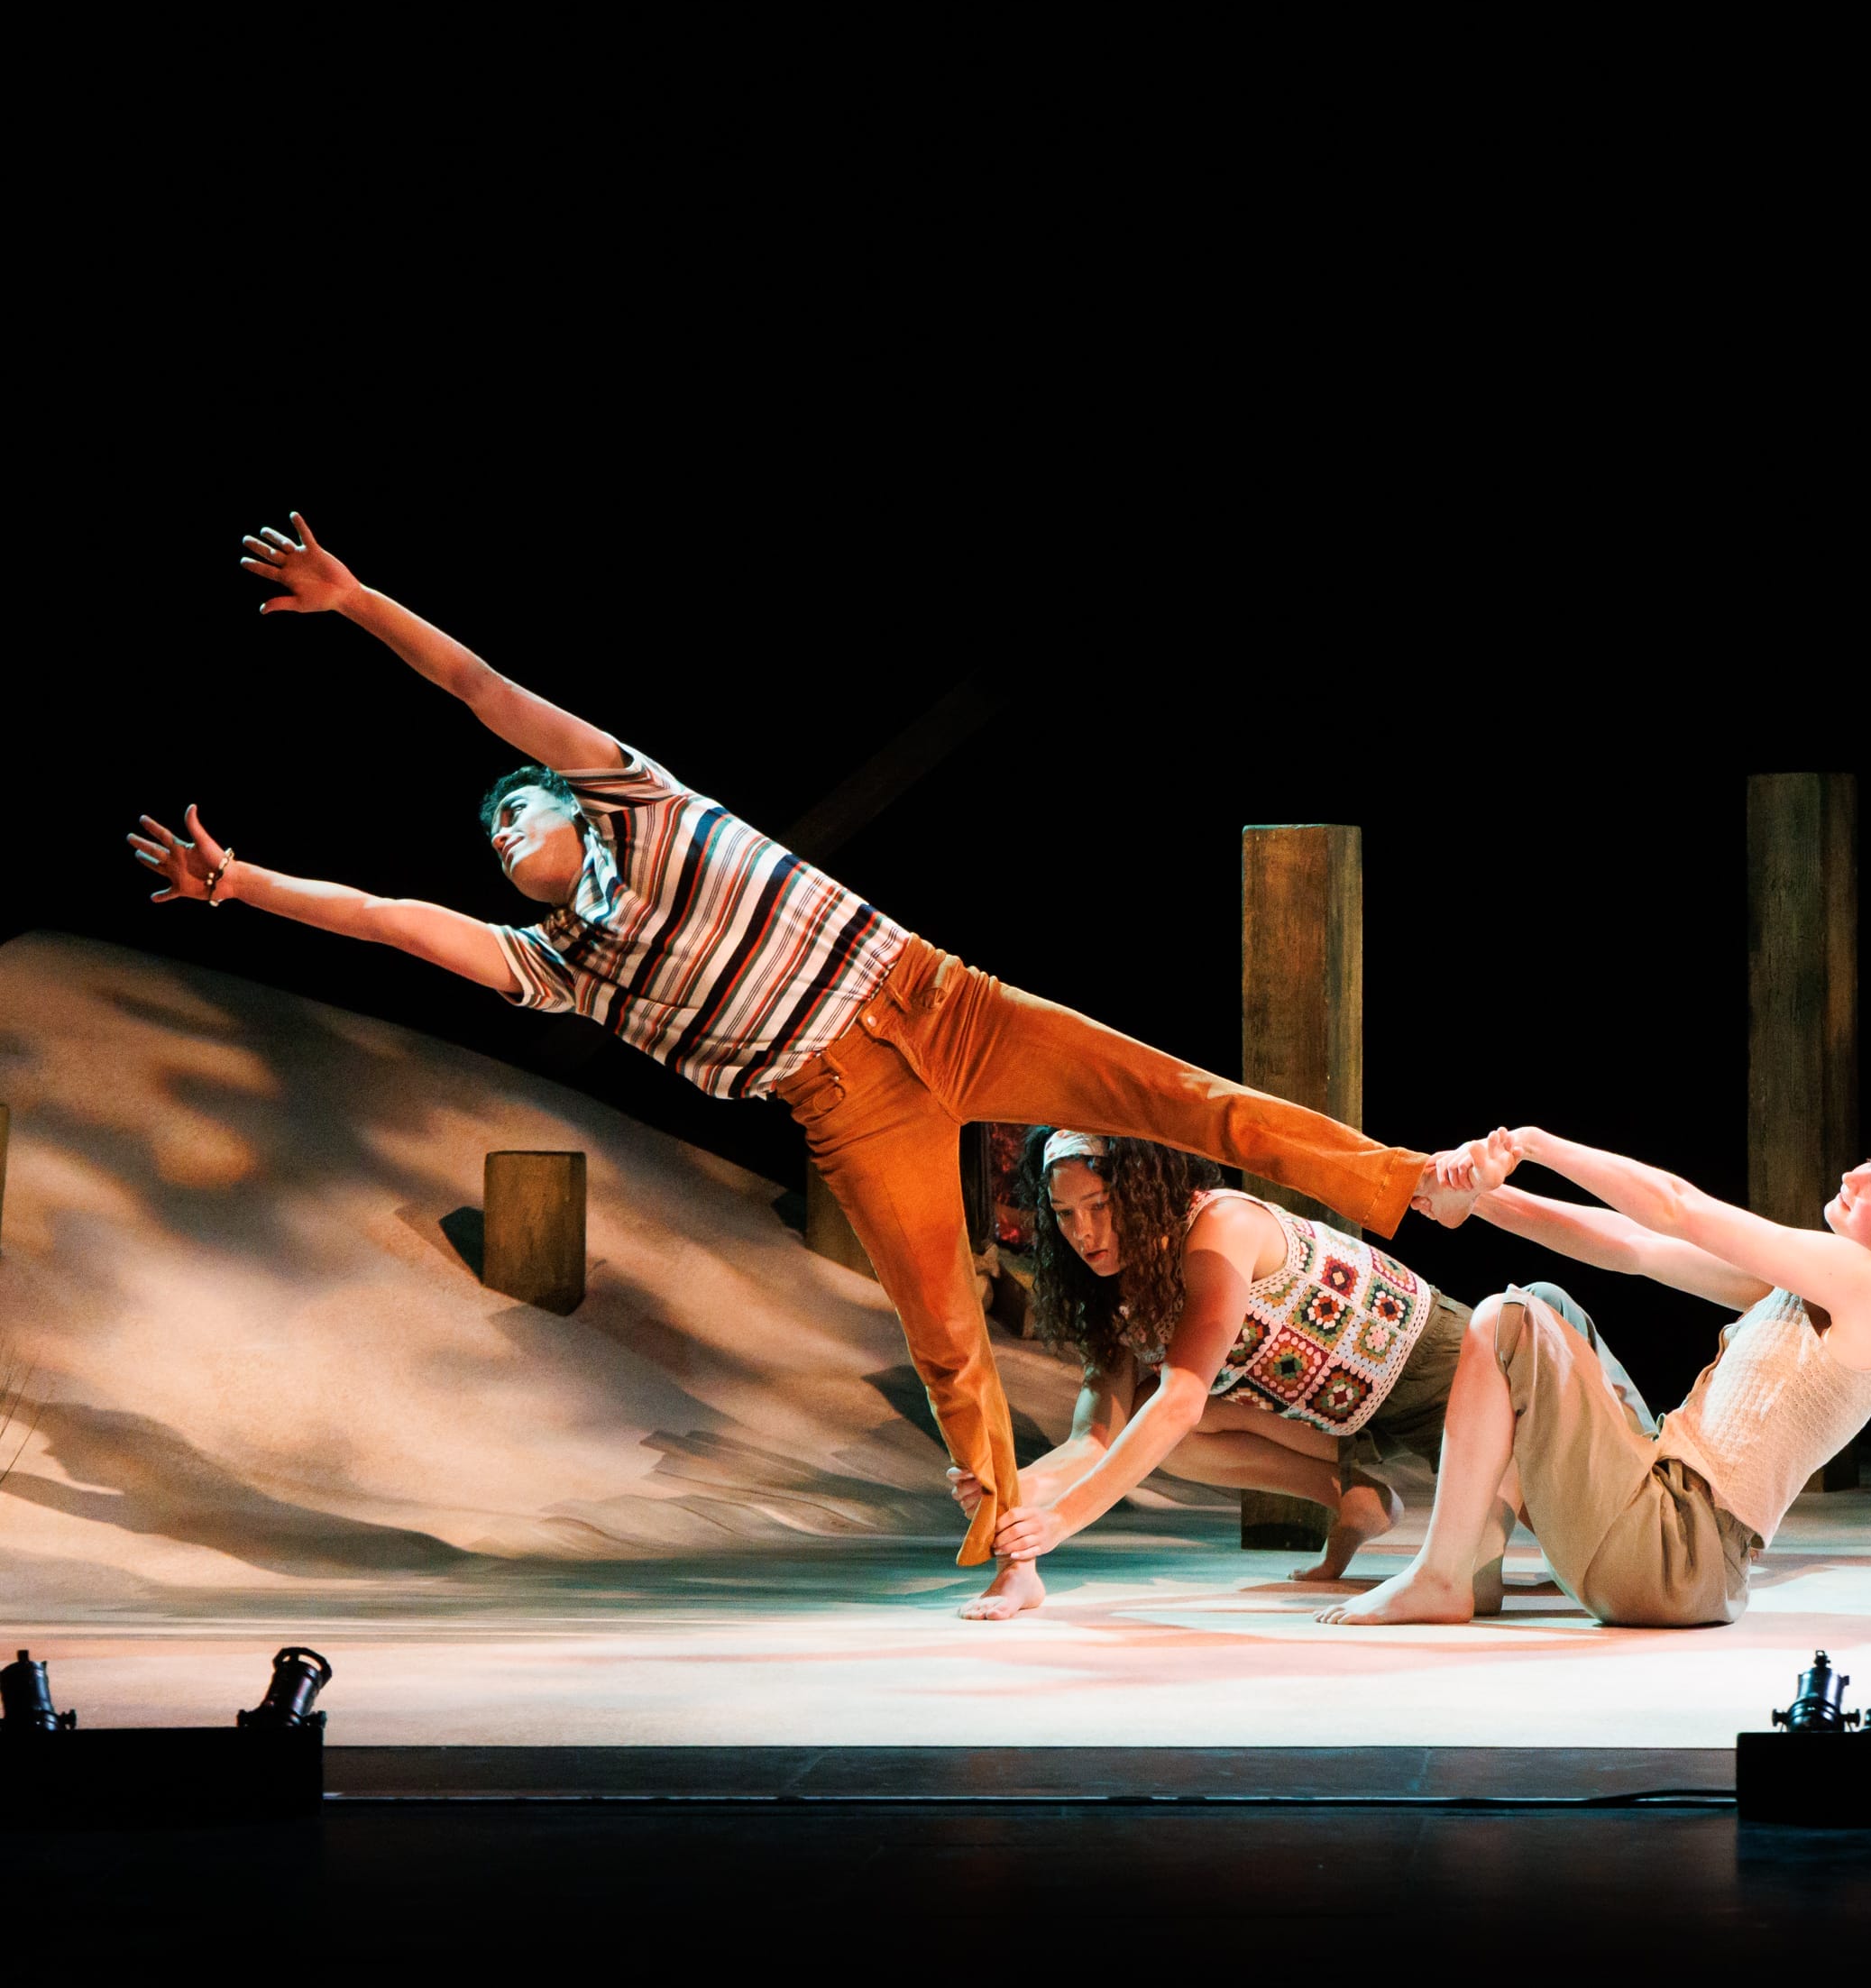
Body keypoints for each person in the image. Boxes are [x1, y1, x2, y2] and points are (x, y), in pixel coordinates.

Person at [125, 513, 1465, 1583]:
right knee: (942, 1328)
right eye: (492, 842)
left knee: (1186, 1099)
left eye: (521, 813)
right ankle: (1010, 1543)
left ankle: (1411, 1181)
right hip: (840, 1101)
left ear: (567, 808)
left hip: (936, 998)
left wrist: (356, 603)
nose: (509, 837)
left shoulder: (636, 800)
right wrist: (245, 887)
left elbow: (482, 688)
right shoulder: (559, 963)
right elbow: (393, 922)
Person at [1302, 1117, 1871, 1627]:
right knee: (1544, 1305)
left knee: (1508, 1320)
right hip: (1672, 1544)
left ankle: (1438, 1573)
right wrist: (1483, 1201)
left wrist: (1532, 1141)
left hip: (1673, 1552)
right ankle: (1472, 1567)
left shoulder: (1865, 1284)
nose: (1858, 1176)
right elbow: (1632, 1245)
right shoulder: (1826, 1283)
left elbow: (1672, 1205)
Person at [949, 1130, 1655, 1619]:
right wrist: (1005, 1490)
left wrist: (1057, 1520)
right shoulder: (1116, 1288)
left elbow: (1183, 1399)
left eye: (1099, 1208)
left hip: (1460, 1388)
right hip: (1360, 1416)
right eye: (1066, 1214)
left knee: (1551, 1577)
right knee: (1143, 1416)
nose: (1083, 1232)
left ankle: (1439, 1498)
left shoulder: (1218, 1228)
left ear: (1139, 1192)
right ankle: (1350, 1493)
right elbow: (1093, 1437)